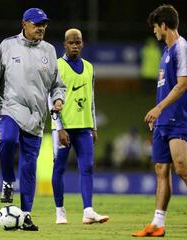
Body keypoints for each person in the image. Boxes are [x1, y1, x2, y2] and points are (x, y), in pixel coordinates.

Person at [132, 5, 187, 238]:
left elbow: (183, 84)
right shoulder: (166, 52)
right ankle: (157, 223)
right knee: (161, 170)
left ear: (164, 25)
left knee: (182, 168)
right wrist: (157, 115)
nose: (154, 32)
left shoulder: (182, 49)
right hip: (163, 121)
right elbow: (165, 87)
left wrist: (159, 108)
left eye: (155, 28)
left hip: (178, 118)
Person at [0, 8, 66, 231]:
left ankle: (26, 215)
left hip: (37, 116)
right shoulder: (7, 46)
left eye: (44, 24)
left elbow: (58, 85)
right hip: (10, 107)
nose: (41, 28)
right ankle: (8, 181)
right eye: (37, 24)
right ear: (24, 24)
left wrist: (58, 99)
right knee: (8, 139)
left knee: (29, 166)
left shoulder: (49, 50)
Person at [50, 28, 109, 225]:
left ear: (82, 44)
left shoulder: (90, 67)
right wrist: (59, 127)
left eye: (78, 42)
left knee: (88, 167)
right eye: (71, 43)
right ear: (65, 44)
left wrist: (93, 126)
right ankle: (60, 211)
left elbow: (91, 99)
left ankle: (88, 210)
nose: (75, 46)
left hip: (84, 127)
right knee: (59, 168)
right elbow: (50, 98)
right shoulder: (57, 66)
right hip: (64, 127)